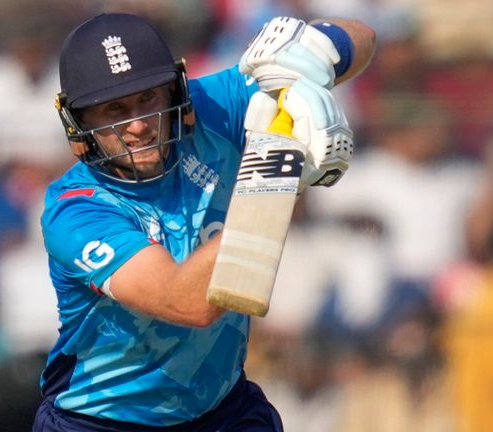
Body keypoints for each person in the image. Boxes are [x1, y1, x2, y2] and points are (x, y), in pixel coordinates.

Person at [34, 12, 376, 431]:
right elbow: (186, 303)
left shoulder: (214, 106)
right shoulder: (76, 210)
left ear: (175, 88)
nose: (139, 125)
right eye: (115, 110)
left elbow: (363, 38)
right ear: (80, 123)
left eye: (148, 99)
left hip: (221, 410)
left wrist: (312, 58)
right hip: (102, 420)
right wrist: (275, 176)